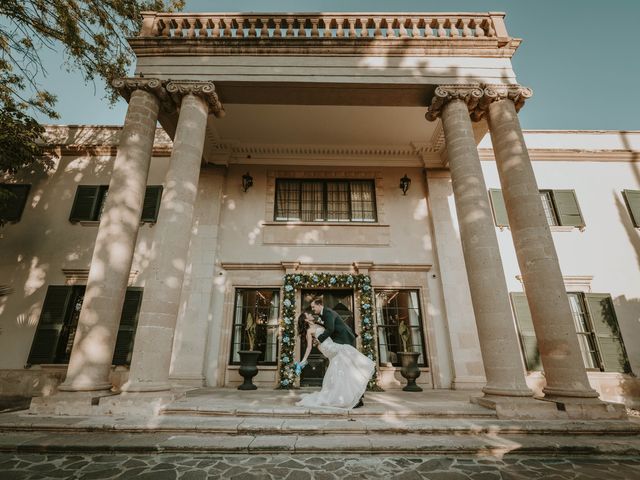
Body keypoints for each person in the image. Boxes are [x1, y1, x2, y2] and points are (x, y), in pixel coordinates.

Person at [295, 309, 374, 409]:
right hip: (329, 348)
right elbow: (309, 347)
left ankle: (355, 397)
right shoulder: (309, 331)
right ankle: (353, 397)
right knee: (347, 351)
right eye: (308, 314)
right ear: (306, 320)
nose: (311, 314)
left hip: (331, 344)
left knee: (346, 370)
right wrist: (303, 360)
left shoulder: (318, 324)